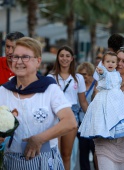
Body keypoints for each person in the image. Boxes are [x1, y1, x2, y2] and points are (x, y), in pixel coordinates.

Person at [0, 37, 77, 169]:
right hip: (11, 162)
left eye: (25, 57)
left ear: (38, 61)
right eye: (15, 57)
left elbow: (70, 122)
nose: (19, 62)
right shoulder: (3, 90)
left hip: (45, 161)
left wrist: (40, 139)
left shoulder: (50, 88)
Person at [79, 51, 124, 140]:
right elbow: (104, 76)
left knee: (117, 116)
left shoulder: (117, 73)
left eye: (113, 62)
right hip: (105, 99)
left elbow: (115, 83)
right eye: (108, 61)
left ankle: (116, 131)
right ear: (103, 63)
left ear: (116, 64)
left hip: (116, 99)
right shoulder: (104, 72)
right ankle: (102, 132)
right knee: (104, 117)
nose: (110, 64)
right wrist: (102, 72)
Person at [48, 45, 88, 170]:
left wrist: (92, 118)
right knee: (55, 153)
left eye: (67, 56)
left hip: (72, 115)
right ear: (58, 58)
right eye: (61, 56)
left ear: (72, 59)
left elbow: (83, 101)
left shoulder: (78, 78)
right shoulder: (50, 77)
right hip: (54, 115)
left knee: (66, 154)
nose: (64, 59)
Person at [77, 62, 98, 170]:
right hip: (81, 122)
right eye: (80, 74)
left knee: (95, 150)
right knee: (83, 150)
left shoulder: (97, 85)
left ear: (90, 73)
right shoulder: (78, 85)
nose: (82, 76)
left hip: (94, 123)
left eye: (84, 74)